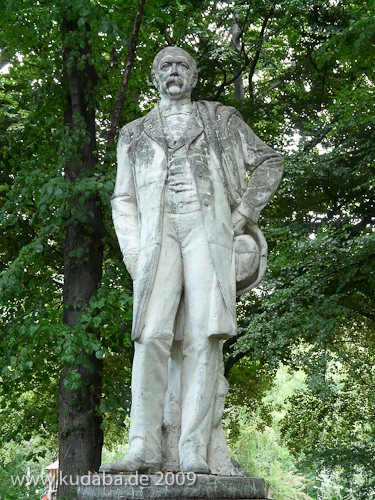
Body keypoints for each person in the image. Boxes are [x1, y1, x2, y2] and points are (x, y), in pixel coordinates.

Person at [99, 47, 284, 475]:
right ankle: (143, 447)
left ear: (194, 76)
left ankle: (192, 449)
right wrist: (132, 253)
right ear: (154, 77)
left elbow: (272, 161)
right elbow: (123, 199)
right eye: (165, 66)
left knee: (203, 335)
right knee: (151, 336)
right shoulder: (133, 134)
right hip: (156, 239)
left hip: (207, 230)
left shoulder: (220, 120)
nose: (174, 71)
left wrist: (242, 215)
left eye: (182, 65)